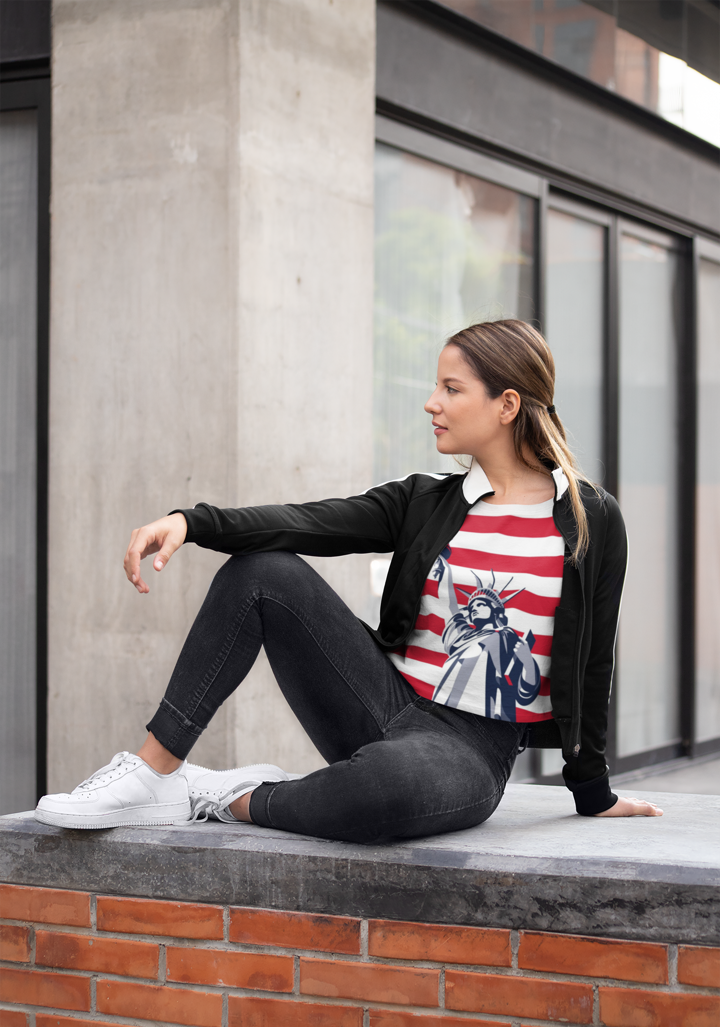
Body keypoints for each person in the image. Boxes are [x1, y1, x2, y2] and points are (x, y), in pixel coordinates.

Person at [35, 319, 662, 838]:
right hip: (380, 696)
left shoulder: (589, 517)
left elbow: (592, 662)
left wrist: (593, 793)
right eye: (434, 387)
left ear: (507, 404)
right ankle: (153, 773)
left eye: (451, 389)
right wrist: (192, 522)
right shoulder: (427, 501)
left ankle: (229, 797)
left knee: (386, 795)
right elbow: (305, 523)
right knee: (264, 572)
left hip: (471, 749)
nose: (431, 403)